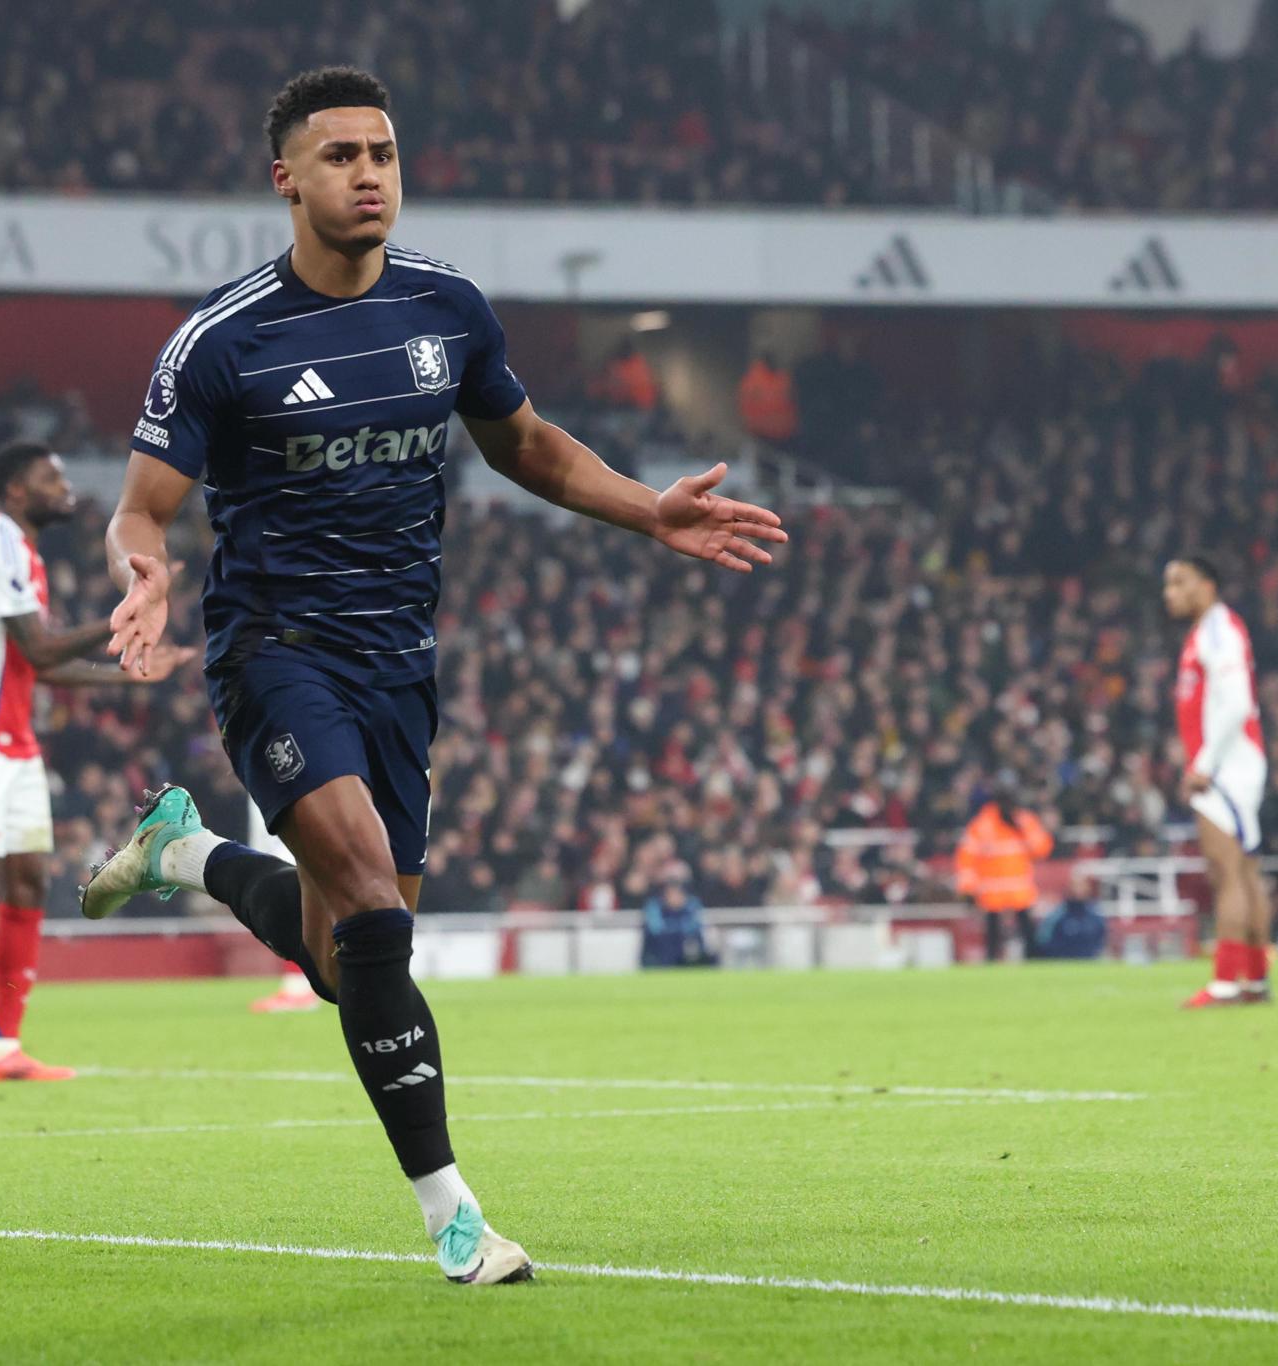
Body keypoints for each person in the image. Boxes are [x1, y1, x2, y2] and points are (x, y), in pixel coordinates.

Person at [84, 67, 786, 1286]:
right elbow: (142, 509)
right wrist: (140, 573)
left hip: (402, 662)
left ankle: (188, 853)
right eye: (343, 154)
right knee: (373, 910)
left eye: (386, 154)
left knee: (348, 953)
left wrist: (646, 511)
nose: (370, 174)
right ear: (287, 179)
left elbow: (526, 444)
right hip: (276, 652)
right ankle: (454, 1215)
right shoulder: (222, 339)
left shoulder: (447, 307)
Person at [0, 441, 193, 1086]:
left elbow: (43, 665)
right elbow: (37, 644)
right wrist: (125, 616)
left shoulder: (24, 554)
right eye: (49, 478)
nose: (64, 486)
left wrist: (129, 675)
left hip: (14, 737)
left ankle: (2, 1046)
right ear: (16, 492)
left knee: (27, 882)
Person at [1165, 556, 1271, 1006]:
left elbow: (1237, 702)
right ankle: (1254, 978)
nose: (1169, 592)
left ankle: (1227, 981)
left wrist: (1204, 763)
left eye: (1179, 582)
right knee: (1244, 871)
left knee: (1225, 871)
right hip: (1235, 761)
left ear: (1206, 585)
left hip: (1228, 764)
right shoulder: (1207, 631)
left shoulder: (1217, 630)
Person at [954, 784, 1053, 963]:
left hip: (1018, 890)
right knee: (993, 933)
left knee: (1027, 931)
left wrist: (1021, 829)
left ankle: (1033, 960)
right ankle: (992, 961)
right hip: (993, 891)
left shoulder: (1024, 821)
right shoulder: (983, 825)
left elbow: (1042, 849)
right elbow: (967, 858)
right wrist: (968, 889)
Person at [737, 351, 798, 446]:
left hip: (782, 431)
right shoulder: (754, 381)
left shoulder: (781, 378)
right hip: (764, 432)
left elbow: (792, 399)